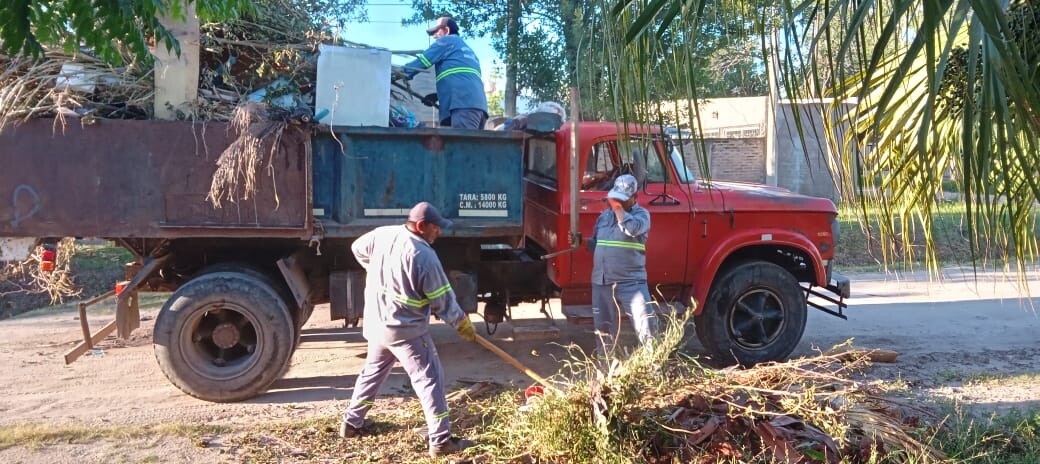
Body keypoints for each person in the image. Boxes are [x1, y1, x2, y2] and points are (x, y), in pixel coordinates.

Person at [340, 201, 477, 458]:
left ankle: (351, 422)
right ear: (422, 226)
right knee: (429, 379)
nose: (439, 233)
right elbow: (442, 298)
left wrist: (376, 270)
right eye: (436, 228)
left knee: (373, 372)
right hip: (405, 331)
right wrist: (461, 323)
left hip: (378, 323)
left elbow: (356, 248)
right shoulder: (423, 255)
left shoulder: (384, 234)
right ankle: (441, 441)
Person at [587, 174, 659, 355]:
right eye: (616, 198)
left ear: (635, 198)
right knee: (603, 330)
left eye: (622, 199)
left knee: (647, 326)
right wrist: (581, 242)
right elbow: (597, 244)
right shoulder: (604, 217)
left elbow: (631, 229)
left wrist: (617, 208)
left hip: (631, 281)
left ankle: (654, 368)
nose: (617, 202)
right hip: (602, 280)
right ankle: (606, 369)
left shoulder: (641, 215)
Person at [403, 16, 488, 129]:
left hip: (462, 107)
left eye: (437, 32)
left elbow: (423, 61)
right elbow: (463, 80)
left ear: (446, 31)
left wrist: (397, 74)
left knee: (461, 146)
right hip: (478, 108)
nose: (434, 36)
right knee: (472, 145)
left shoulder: (448, 41)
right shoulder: (468, 53)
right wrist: (439, 96)